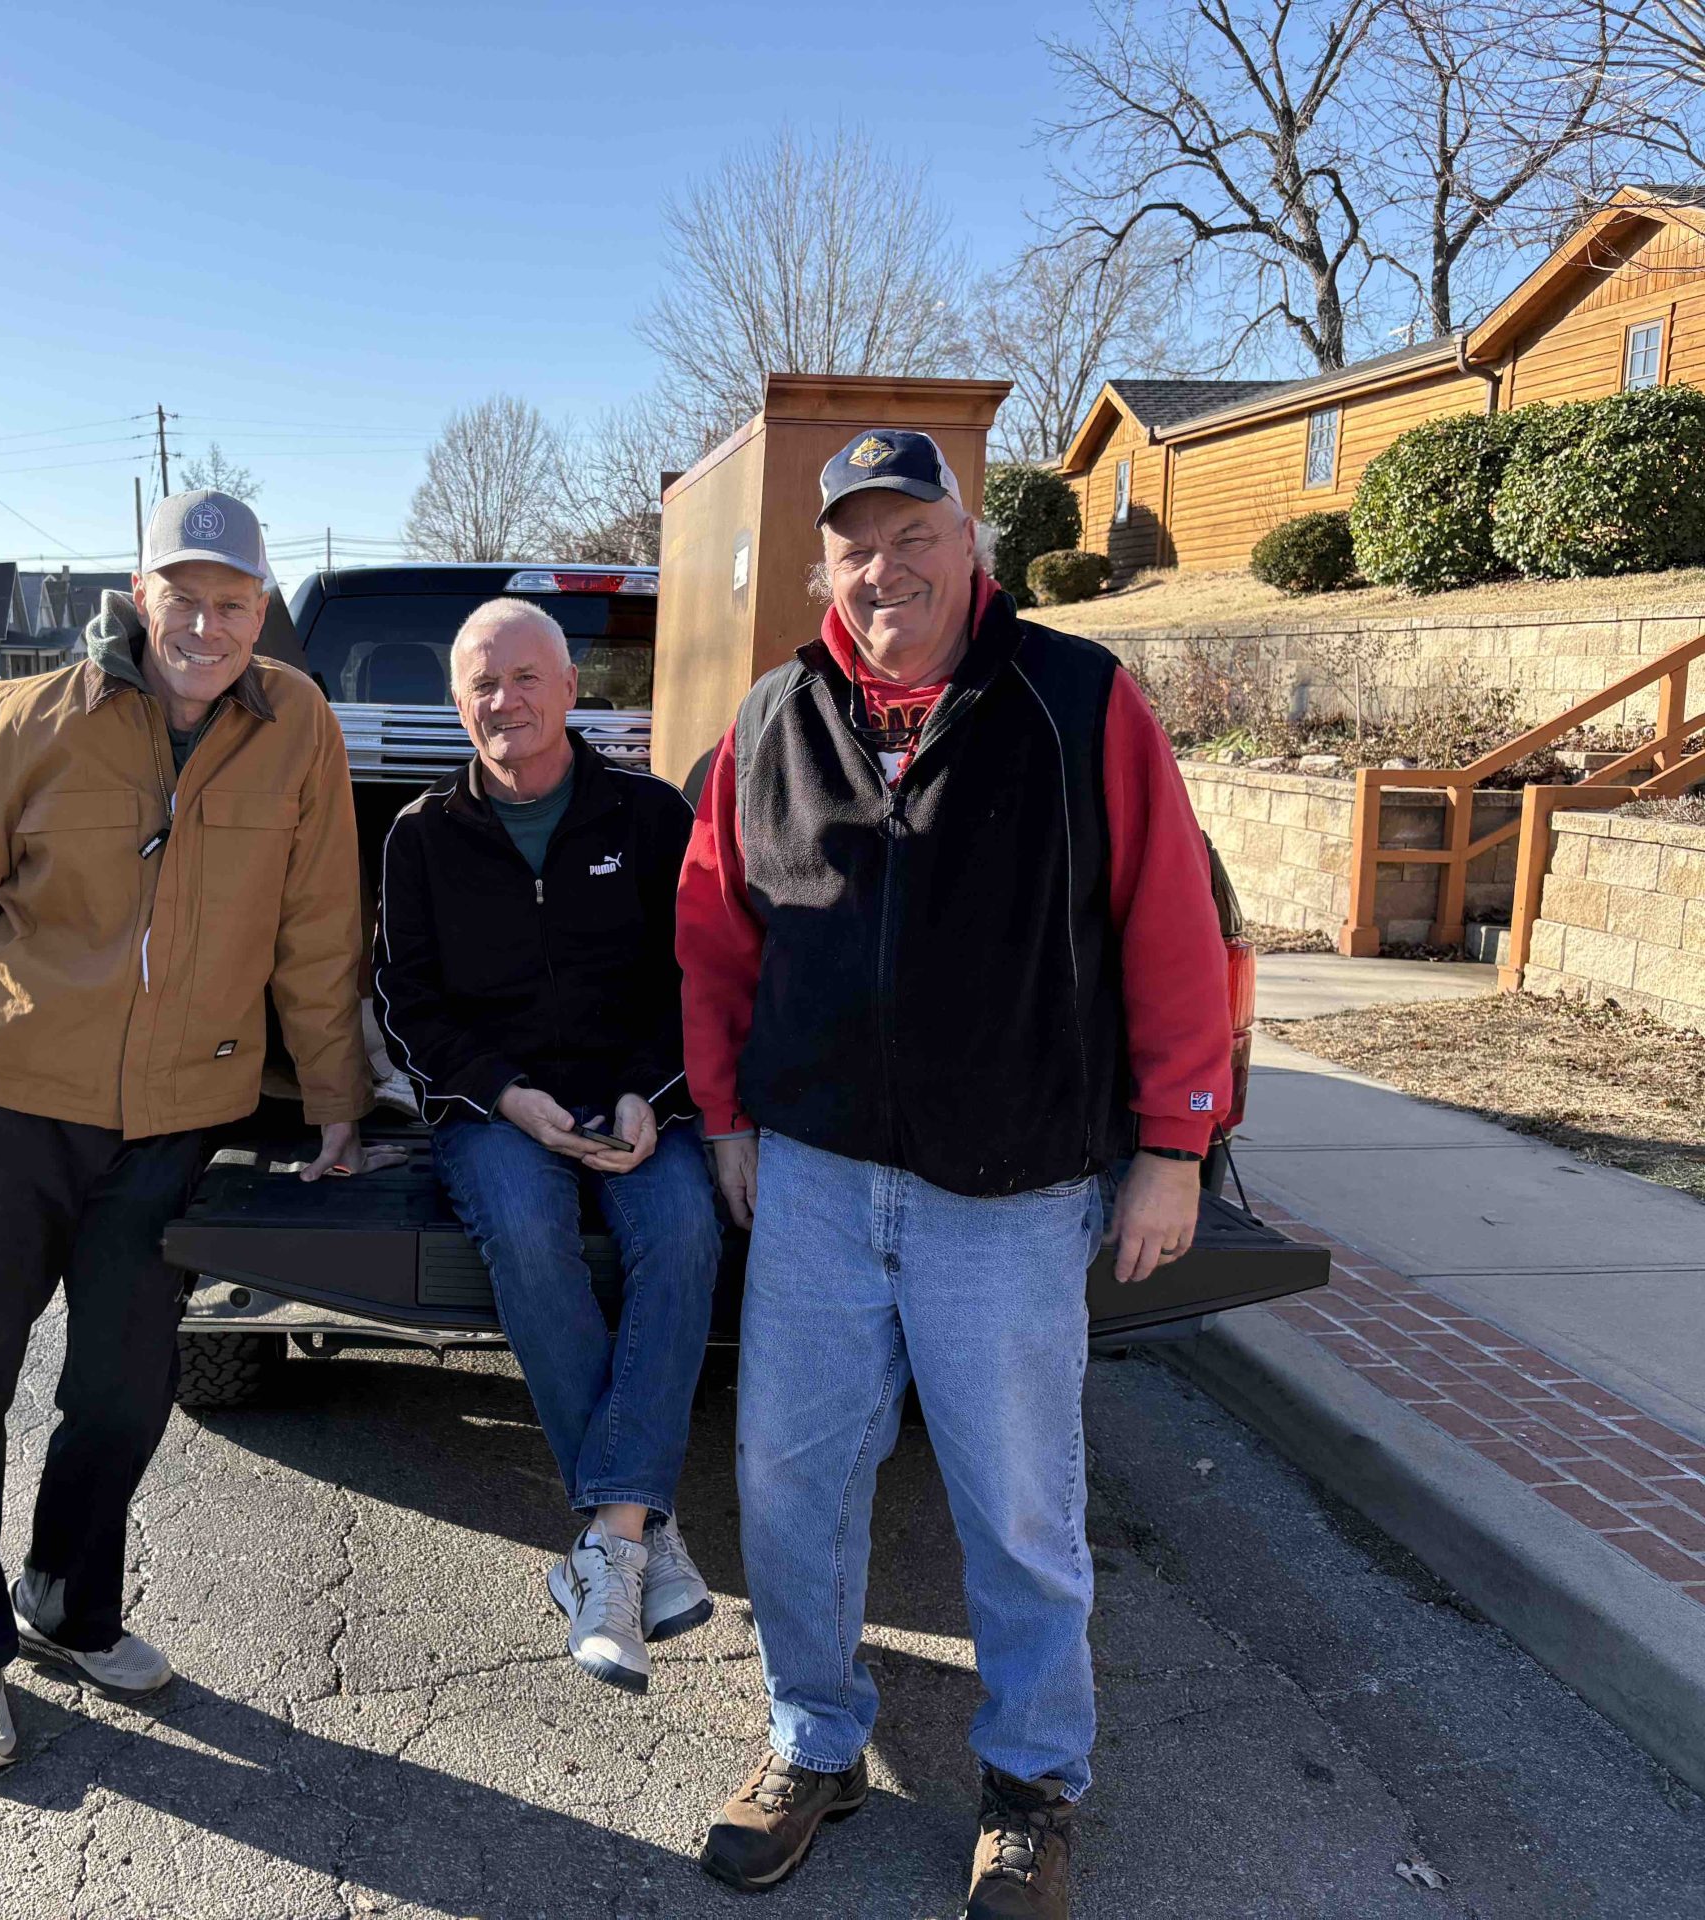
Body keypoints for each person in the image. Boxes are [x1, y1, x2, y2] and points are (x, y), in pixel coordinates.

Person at [676, 430, 1230, 1916]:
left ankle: (1034, 1786)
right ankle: (814, 1741)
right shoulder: (773, 720)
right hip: (811, 1177)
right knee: (788, 1482)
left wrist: (1177, 1140)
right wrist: (727, 1118)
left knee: (1017, 1505)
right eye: (854, 545)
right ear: (825, 571)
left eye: (911, 532)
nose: (884, 568)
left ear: (969, 542)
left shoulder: (1079, 703)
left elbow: (1171, 925)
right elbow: (718, 935)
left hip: (1012, 1186)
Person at [0, 487, 368, 1774]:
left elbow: (321, 926)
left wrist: (334, 1094)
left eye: (232, 602)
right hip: (1, 1099)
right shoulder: (21, 719)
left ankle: (69, 1607)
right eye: (185, 596)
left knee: (121, 1387)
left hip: (175, 1120)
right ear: (138, 595)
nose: (206, 624)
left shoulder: (298, 726)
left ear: (262, 610)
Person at [373, 598, 722, 1695]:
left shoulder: (649, 816)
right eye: (480, 682)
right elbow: (407, 1002)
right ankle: (633, 1541)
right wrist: (504, 1095)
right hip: (496, 1111)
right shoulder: (421, 834)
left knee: (683, 1229)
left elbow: (695, 978)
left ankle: (605, 1550)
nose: (503, 701)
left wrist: (647, 1096)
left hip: (630, 1103)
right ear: (455, 703)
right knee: (526, 1228)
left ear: (572, 691)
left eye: (525, 678)